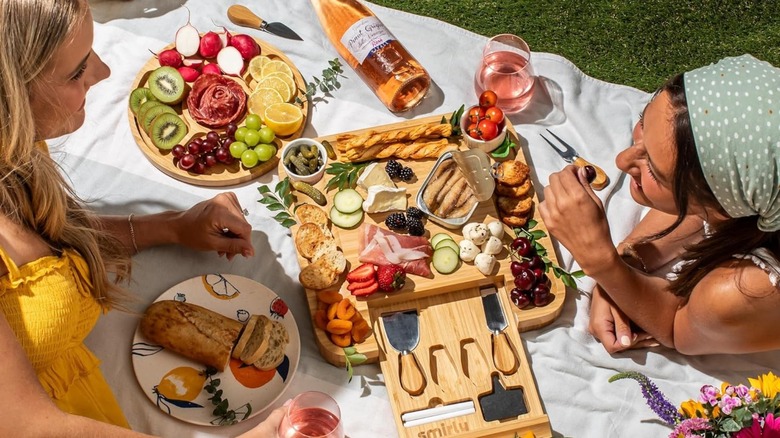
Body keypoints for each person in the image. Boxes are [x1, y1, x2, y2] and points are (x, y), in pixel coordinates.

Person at [0, 0, 284, 435]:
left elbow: (49, 237)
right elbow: (28, 426)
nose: (104, 73)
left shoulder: (14, 147)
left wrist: (170, 226)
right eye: (77, 72)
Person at [539, 54, 780, 356]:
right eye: (643, 120)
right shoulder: (754, 191)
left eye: (653, 168)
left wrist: (600, 261)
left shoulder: (748, 289)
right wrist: (626, 264)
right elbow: (697, 210)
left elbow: (678, 329)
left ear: (726, 204)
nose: (621, 161)